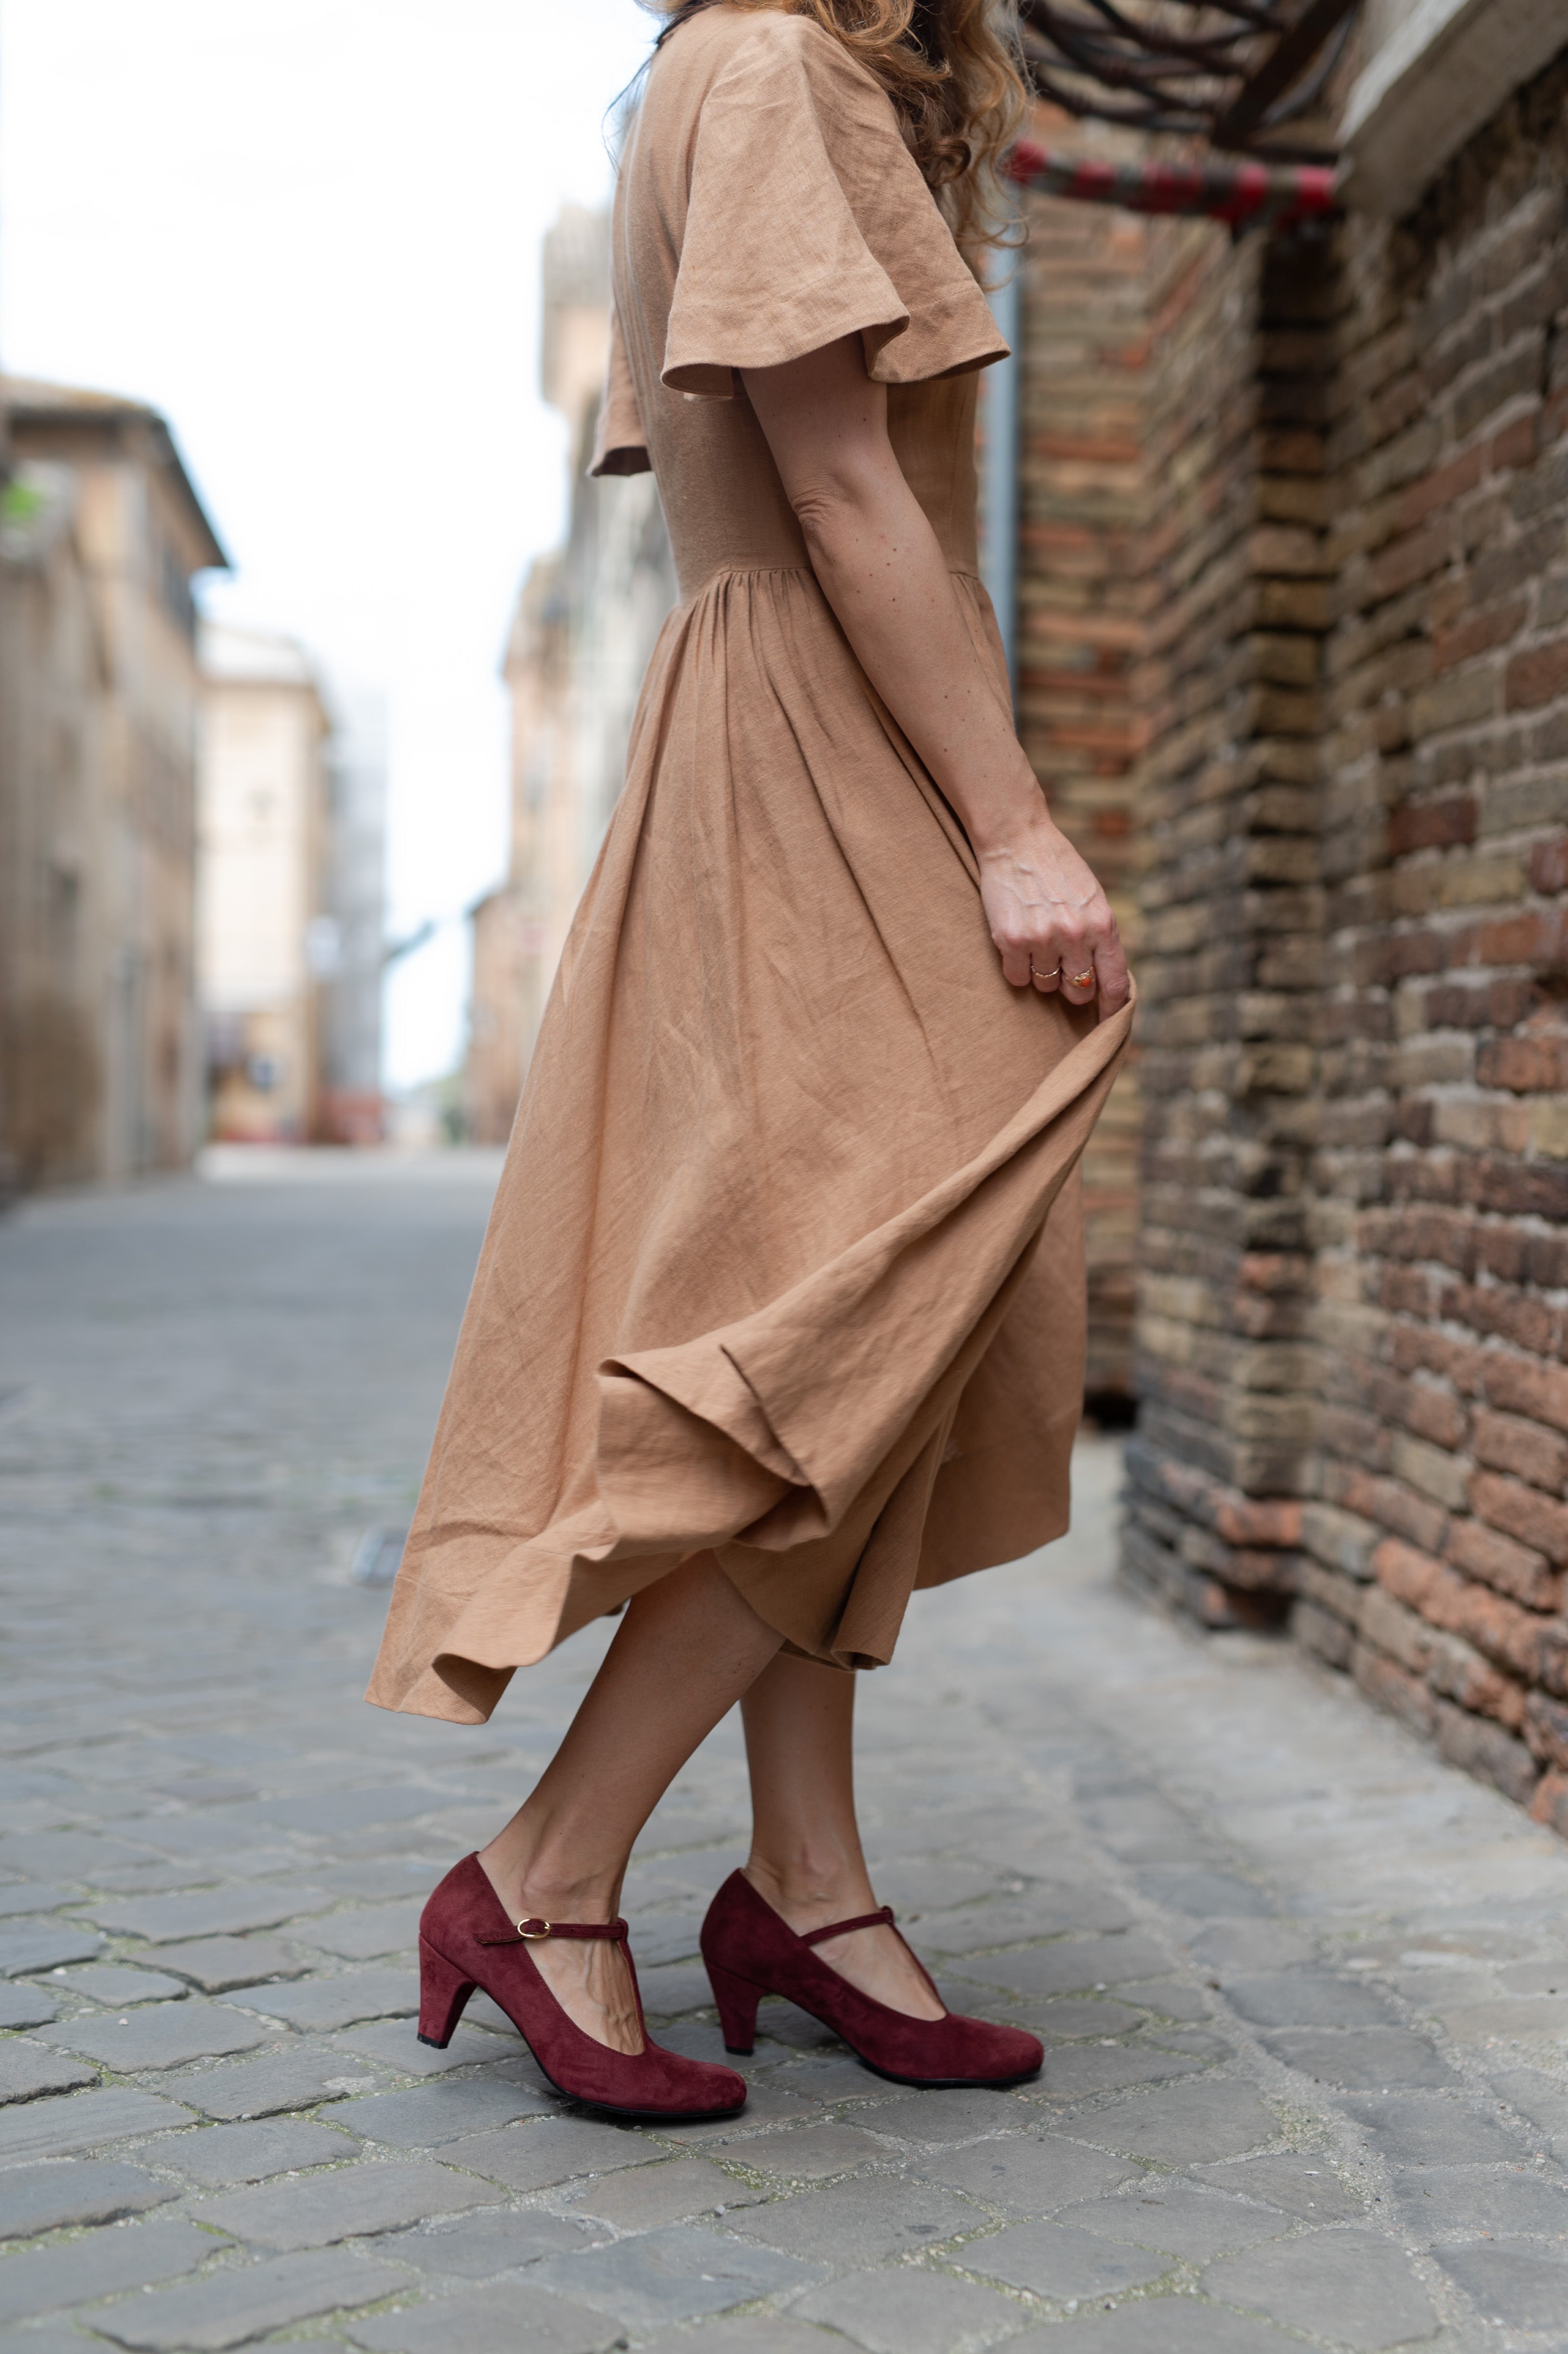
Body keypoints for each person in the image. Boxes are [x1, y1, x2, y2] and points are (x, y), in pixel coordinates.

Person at [368, 0, 1133, 2122]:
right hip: (819, 729)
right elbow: (836, 480)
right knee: (872, 1304)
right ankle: (546, 1869)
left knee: (843, 1305)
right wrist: (1013, 829)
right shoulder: (779, 65)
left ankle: (808, 1883)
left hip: (786, 716)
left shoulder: (739, 72)